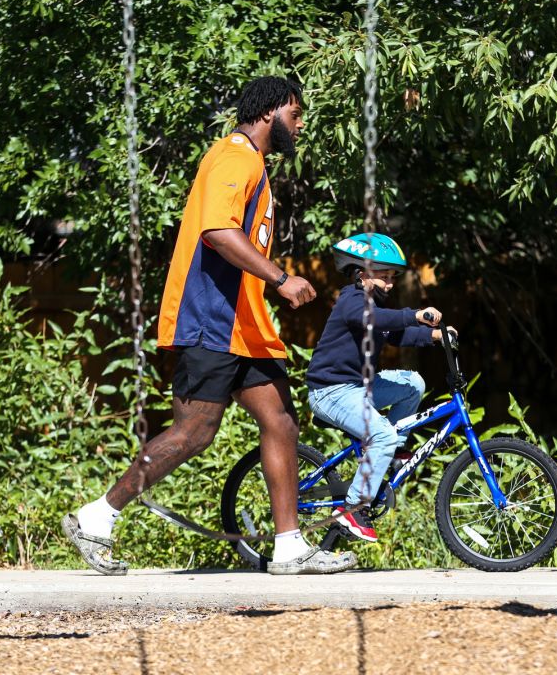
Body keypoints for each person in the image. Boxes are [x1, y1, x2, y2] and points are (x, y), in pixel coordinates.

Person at [63, 76, 356, 576]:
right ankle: (97, 517)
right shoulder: (234, 156)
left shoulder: (253, 163)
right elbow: (218, 232)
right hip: (211, 321)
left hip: (244, 327)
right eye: (296, 114)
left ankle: (288, 547)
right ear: (270, 112)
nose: (301, 124)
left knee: (281, 421)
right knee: (194, 432)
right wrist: (281, 279)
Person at [305, 233, 455, 542]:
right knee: (382, 433)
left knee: (412, 383)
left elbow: (396, 335)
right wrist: (414, 315)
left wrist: (436, 337)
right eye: (384, 276)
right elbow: (379, 320)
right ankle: (352, 510)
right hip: (332, 392)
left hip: (359, 388)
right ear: (362, 273)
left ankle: (392, 449)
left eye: (392, 277)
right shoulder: (352, 299)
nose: (390, 283)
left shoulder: (372, 306)